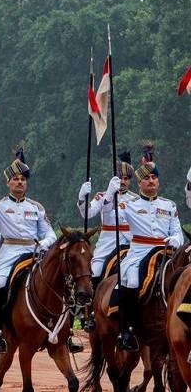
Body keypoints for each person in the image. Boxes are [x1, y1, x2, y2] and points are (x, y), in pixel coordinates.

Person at [0, 149, 57, 354]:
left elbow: (50, 233)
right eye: (15, 179)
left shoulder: (36, 207)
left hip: (34, 251)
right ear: (8, 183)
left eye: (22, 179)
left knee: (57, 278)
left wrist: (44, 244)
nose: (19, 183)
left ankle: (64, 331)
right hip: (10, 250)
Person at [114, 145, 183, 351]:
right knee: (132, 278)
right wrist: (110, 193)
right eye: (147, 179)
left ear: (158, 181)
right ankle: (127, 329)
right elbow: (109, 214)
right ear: (140, 183)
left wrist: (175, 240)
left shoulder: (169, 205)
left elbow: (178, 232)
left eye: (154, 178)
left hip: (165, 251)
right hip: (140, 252)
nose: (151, 181)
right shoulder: (129, 205)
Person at [76, 152, 138, 329]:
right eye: (120, 177)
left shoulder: (136, 198)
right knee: (94, 272)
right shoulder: (102, 195)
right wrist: (83, 198)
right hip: (109, 239)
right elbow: (87, 214)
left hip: (132, 240)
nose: (123, 181)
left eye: (126, 178)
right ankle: (88, 311)